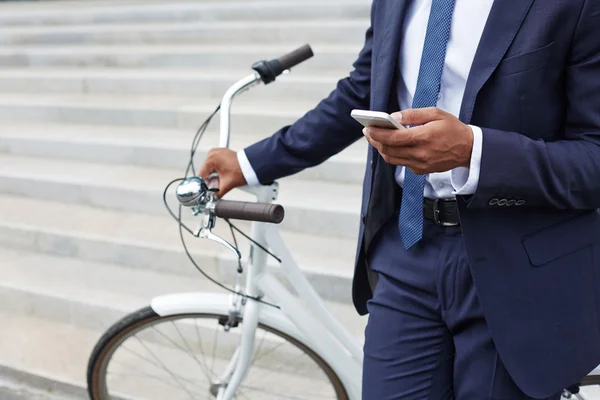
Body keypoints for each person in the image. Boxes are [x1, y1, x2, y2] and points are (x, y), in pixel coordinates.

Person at [199, 0, 600, 398]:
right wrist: (252, 162)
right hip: (407, 248)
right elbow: (363, 89)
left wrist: (472, 151)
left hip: (519, 265)